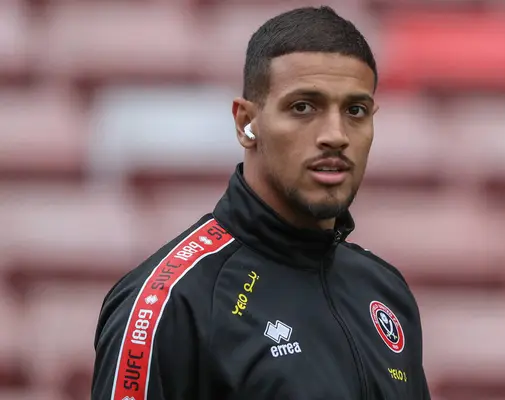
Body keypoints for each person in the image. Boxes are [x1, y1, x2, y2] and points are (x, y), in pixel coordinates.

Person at [91, 6, 430, 400]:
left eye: (355, 110)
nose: (335, 135)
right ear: (245, 124)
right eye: (303, 107)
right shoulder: (169, 305)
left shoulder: (385, 291)